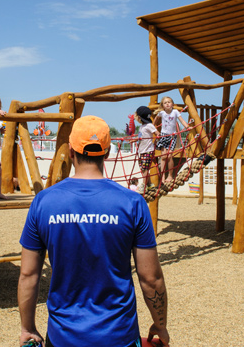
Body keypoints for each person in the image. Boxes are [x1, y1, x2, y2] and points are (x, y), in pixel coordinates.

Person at [18, 115, 170, 347]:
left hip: (63, 337)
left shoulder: (44, 202)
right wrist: (160, 324)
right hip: (118, 336)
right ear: (107, 153)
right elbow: (151, 278)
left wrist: (27, 328)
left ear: (70, 152)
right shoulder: (132, 203)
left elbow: (28, 275)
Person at [153, 96, 189, 183]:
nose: (167, 104)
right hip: (163, 136)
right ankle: (163, 176)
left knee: (169, 156)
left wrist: (187, 126)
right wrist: (155, 131)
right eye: (165, 103)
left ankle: (170, 175)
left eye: (169, 102)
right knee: (163, 156)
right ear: (163, 106)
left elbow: (182, 120)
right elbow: (154, 122)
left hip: (172, 136)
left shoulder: (175, 112)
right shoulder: (161, 113)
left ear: (172, 104)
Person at [136, 106, 160, 193]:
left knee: (145, 169)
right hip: (141, 151)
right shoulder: (142, 127)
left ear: (139, 117)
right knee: (143, 169)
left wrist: (156, 141)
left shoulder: (149, 125)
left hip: (148, 150)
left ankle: (144, 185)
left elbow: (157, 133)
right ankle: (150, 185)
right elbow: (140, 137)